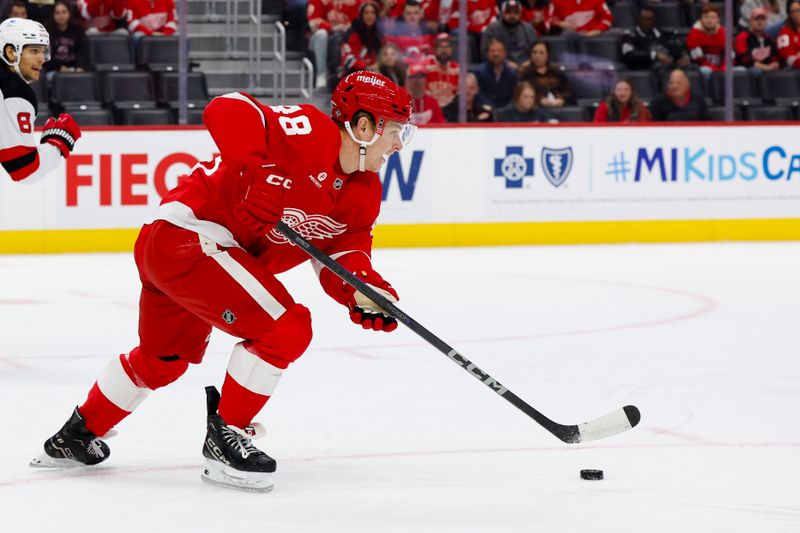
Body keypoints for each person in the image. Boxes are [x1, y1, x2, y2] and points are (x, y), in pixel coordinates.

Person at [30, 71, 416, 494]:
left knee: (164, 359)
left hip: (185, 250)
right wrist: (259, 168)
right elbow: (229, 105)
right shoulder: (309, 131)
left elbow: (344, 255)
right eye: (395, 130)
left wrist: (363, 288)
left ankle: (74, 437)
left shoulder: (363, 192)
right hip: (189, 235)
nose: (399, 143)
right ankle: (227, 435)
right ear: (363, 126)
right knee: (286, 327)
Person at [0, 18, 81, 182]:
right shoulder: (14, 90)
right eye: (34, 51)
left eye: (43, 51)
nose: (42, 58)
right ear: (10, 52)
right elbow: (24, 169)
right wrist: (58, 142)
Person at [307, 0, 360, 89]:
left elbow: (357, 20)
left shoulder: (355, 2)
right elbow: (313, 22)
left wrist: (344, 29)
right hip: (319, 40)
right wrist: (333, 28)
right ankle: (322, 74)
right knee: (322, 34)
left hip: (344, 36)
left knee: (351, 36)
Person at [621, 6, 690, 71]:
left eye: (649, 19)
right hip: (648, 68)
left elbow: (678, 48)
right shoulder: (630, 36)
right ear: (638, 19)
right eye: (643, 19)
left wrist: (684, 56)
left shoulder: (663, 35)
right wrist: (655, 55)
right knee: (661, 67)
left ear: (654, 21)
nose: (645, 22)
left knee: (692, 67)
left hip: (670, 65)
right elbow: (629, 56)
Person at [517, 40, 574, 109]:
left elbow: (570, 93)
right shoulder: (526, 74)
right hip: (537, 109)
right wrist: (540, 100)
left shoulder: (557, 73)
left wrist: (562, 100)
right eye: (534, 52)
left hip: (559, 107)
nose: (537, 56)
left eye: (541, 53)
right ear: (530, 55)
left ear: (547, 56)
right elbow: (522, 95)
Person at [481, 0, 537, 67]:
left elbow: (536, 49)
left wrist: (529, 62)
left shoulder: (528, 28)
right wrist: (505, 63)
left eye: (515, 13)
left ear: (520, 14)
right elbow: (485, 52)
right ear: (503, 13)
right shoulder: (492, 29)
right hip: (500, 66)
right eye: (508, 12)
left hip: (526, 66)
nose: (512, 16)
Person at [381, 0, 436, 66]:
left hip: (424, 69)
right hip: (402, 69)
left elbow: (433, 57)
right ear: (403, 14)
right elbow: (392, 57)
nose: (412, 16)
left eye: (416, 13)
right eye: (409, 13)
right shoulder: (393, 34)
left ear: (421, 14)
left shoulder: (430, 33)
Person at [45, 0, 89, 77]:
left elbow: (83, 51)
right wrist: (59, 67)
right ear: (53, 15)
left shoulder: (78, 30)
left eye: (64, 12)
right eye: (57, 13)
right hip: (54, 71)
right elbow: (45, 55)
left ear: (69, 13)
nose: (61, 15)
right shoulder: (47, 32)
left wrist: (80, 67)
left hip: (76, 69)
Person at [340, 1, 382, 78]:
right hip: (353, 75)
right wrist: (366, 67)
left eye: (373, 13)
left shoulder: (378, 34)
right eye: (366, 13)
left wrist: (379, 64)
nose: (370, 16)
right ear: (361, 15)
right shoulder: (352, 33)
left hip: (374, 73)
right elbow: (348, 59)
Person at [735, 7, 781, 75]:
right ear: (751, 21)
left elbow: (775, 57)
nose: (760, 22)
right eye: (756, 19)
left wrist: (775, 64)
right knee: (756, 71)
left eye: (763, 19)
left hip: (766, 70)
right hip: (746, 71)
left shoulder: (769, 39)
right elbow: (745, 59)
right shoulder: (742, 37)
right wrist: (766, 67)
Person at [475, 38, 519, 108]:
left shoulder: (512, 73)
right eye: (492, 51)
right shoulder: (479, 72)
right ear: (487, 54)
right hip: (487, 109)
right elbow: (479, 96)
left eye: (499, 50)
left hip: (508, 111)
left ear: (505, 53)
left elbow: (515, 95)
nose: (496, 54)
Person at [687, 4, 726, 75]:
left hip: (721, 68)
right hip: (702, 68)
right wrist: (716, 70)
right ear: (700, 19)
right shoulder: (694, 33)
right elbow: (698, 60)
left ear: (718, 19)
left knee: (740, 70)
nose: (709, 20)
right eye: (706, 17)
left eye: (713, 17)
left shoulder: (724, 33)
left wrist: (723, 69)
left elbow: (730, 56)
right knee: (705, 70)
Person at [423, 32, 459, 110]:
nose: (444, 50)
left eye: (447, 47)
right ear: (435, 49)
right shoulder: (425, 67)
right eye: (441, 47)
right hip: (430, 108)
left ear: (451, 49)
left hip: (451, 110)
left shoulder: (457, 69)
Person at [545, 0, 613, 36]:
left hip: (592, 38)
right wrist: (560, 23)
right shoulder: (557, 1)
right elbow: (548, 18)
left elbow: (607, 18)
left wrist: (597, 30)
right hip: (569, 38)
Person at [776, 0, 800, 68]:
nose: (795, 14)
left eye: (798, 10)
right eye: (792, 12)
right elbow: (789, 59)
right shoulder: (784, 33)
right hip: (792, 70)